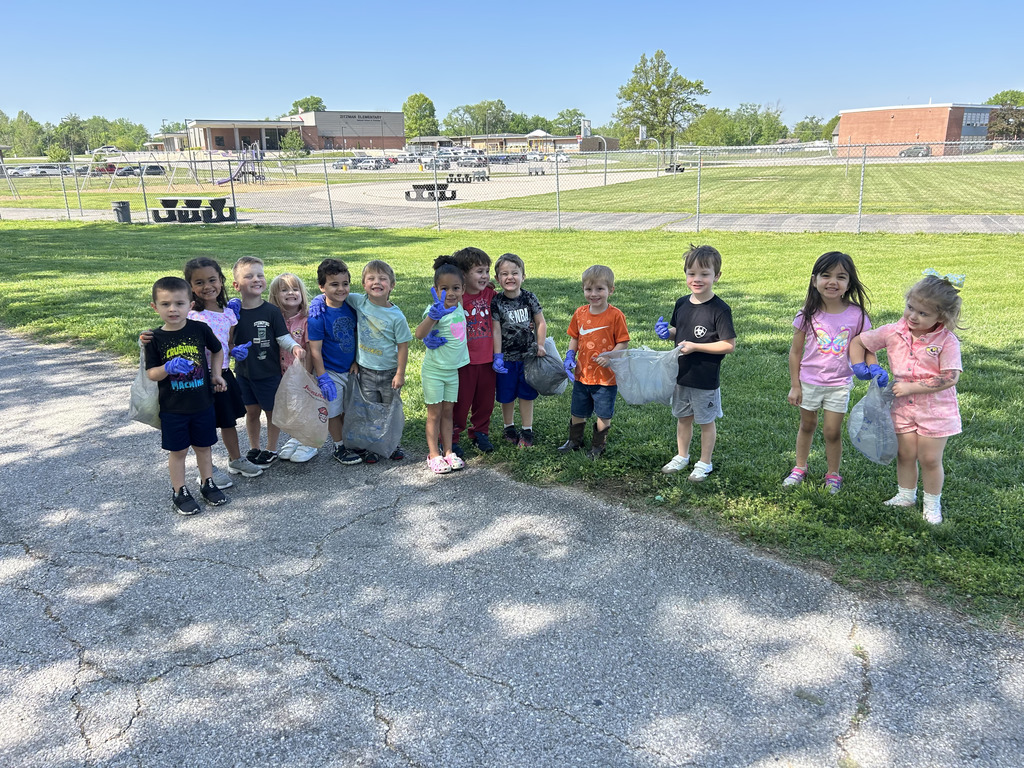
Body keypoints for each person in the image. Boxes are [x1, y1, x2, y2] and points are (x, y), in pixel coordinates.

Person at [850, 271, 964, 524]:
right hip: (902, 406)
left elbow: (950, 377)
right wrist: (863, 367)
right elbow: (859, 343)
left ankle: (933, 505)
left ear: (941, 317)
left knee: (930, 458)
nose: (913, 316)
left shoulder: (946, 341)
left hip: (936, 409)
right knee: (905, 454)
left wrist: (912, 387)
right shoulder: (894, 332)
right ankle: (905, 495)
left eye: (923, 314)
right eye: (910, 308)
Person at [784, 251, 877, 494]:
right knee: (807, 425)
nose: (832, 282)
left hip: (839, 383)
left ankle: (833, 474)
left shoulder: (857, 315)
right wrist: (795, 385)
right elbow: (795, 352)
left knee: (832, 431)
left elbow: (867, 346)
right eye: (826, 275)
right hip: (809, 382)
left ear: (849, 284)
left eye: (840, 277)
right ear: (815, 281)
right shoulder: (807, 313)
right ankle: (799, 467)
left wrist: (872, 366)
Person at [144, 276, 228, 516]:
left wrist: (216, 374)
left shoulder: (200, 329)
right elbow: (152, 374)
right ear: (155, 307)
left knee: (204, 447)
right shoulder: (154, 338)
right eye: (166, 304)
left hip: (202, 404)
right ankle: (179, 490)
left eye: (179, 303)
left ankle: (207, 483)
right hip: (173, 408)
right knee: (178, 451)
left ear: (191, 304)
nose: (173, 309)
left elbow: (217, 348)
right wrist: (167, 368)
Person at [655, 245, 736, 482]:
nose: (697, 279)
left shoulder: (719, 309)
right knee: (683, 418)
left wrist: (696, 346)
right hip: (680, 375)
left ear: (716, 276)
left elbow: (729, 345)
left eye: (704, 274)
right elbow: (678, 332)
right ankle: (682, 456)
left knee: (705, 421)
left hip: (705, 378)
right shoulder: (682, 303)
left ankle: (705, 463)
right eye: (691, 273)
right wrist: (667, 333)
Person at [229, 256, 304, 467]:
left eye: (260, 275)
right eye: (249, 276)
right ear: (236, 285)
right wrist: (233, 350)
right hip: (244, 372)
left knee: (271, 412)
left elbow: (282, 337)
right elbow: (226, 341)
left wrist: (295, 347)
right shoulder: (232, 312)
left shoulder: (271, 311)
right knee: (251, 411)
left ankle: (271, 448)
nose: (256, 279)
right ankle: (254, 447)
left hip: (268, 372)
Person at [558, 265, 630, 458]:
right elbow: (575, 337)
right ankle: (574, 440)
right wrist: (569, 356)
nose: (594, 294)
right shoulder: (580, 313)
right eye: (588, 289)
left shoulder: (615, 315)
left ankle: (598, 445)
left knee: (603, 413)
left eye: (600, 289)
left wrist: (610, 356)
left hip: (606, 378)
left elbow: (623, 342)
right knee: (577, 409)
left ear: (611, 290)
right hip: (582, 374)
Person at [346, 259, 412, 463]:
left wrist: (400, 373)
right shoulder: (358, 301)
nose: (377, 282)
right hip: (365, 371)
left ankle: (392, 445)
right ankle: (373, 446)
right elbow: (334, 294)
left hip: (389, 372)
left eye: (383, 279)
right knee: (370, 409)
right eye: (371, 278)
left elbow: (403, 346)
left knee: (389, 409)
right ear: (363, 284)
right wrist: (319, 304)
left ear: (391, 285)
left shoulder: (396, 316)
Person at [415, 255, 469, 474]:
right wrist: (432, 318)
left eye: (456, 288)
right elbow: (419, 334)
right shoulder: (435, 310)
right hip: (434, 371)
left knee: (449, 413)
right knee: (434, 414)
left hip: (452, 372)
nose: (451, 293)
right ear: (436, 290)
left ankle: (448, 452)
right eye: (444, 289)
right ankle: (433, 454)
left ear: (463, 289)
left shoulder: (459, 305)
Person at [307, 258, 361, 465]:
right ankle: (339, 446)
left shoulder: (352, 306)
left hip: (351, 369)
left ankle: (351, 442)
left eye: (345, 283)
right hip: (330, 371)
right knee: (333, 411)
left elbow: (358, 336)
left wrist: (356, 360)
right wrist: (322, 377)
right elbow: (315, 350)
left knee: (349, 409)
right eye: (334, 284)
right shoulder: (317, 316)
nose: (341, 289)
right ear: (322, 287)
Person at [490, 253, 547, 447]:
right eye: (504, 274)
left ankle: (527, 429)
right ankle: (509, 426)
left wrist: (540, 344)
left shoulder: (529, 298)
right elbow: (496, 330)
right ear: (497, 279)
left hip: (528, 357)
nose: (510, 277)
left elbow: (540, 322)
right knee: (506, 395)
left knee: (526, 394)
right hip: (506, 358)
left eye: (515, 273)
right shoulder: (496, 302)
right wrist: (497, 356)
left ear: (523, 276)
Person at [452, 246, 498, 456]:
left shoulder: (490, 294)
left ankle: (480, 432)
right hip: (464, 361)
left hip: (488, 360)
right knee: (461, 402)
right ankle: (452, 436)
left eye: (487, 271)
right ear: (463, 274)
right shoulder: (455, 298)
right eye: (479, 271)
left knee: (485, 401)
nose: (485, 276)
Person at [268, 272, 318, 463]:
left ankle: (310, 442)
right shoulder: (274, 318)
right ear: (275, 296)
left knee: (305, 407)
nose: (291, 293)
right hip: (281, 373)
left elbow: (311, 349)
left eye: (295, 289)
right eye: (284, 290)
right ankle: (297, 438)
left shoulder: (306, 320)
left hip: (301, 373)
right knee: (292, 409)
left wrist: (307, 374)